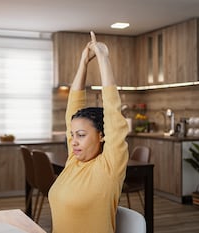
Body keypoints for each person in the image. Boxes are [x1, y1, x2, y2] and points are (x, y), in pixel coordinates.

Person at [48, 32, 130, 233]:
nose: (73, 141)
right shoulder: (73, 161)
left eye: (81, 135)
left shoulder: (109, 167)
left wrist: (102, 58)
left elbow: (112, 110)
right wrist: (83, 62)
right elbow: (73, 107)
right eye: (73, 135)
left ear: (102, 135)